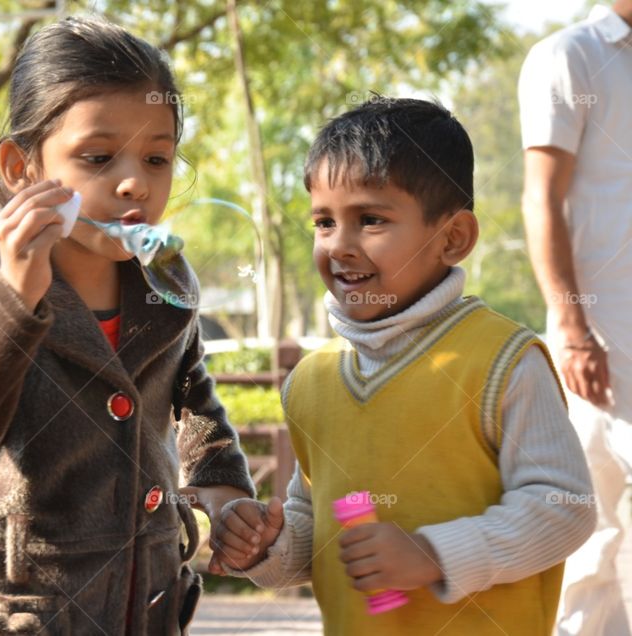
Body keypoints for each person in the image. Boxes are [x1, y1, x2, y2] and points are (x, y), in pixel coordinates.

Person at [0, 16, 254, 635]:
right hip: (14, 611)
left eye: (157, 158)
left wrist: (224, 492)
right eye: (97, 156)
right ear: (21, 168)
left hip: (145, 600)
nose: (134, 182)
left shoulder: (163, 276)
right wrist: (13, 297)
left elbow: (193, 401)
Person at [207, 97, 596, 635]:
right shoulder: (312, 383)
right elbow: (314, 520)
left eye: (370, 219)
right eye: (324, 222)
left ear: (453, 238)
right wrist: (268, 545)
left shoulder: (502, 361)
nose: (339, 245)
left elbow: (565, 507)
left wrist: (434, 554)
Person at [518, 3, 632, 634]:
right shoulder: (570, 55)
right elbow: (542, 195)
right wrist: (571, 327)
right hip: (602, 339)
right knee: (591, 529)